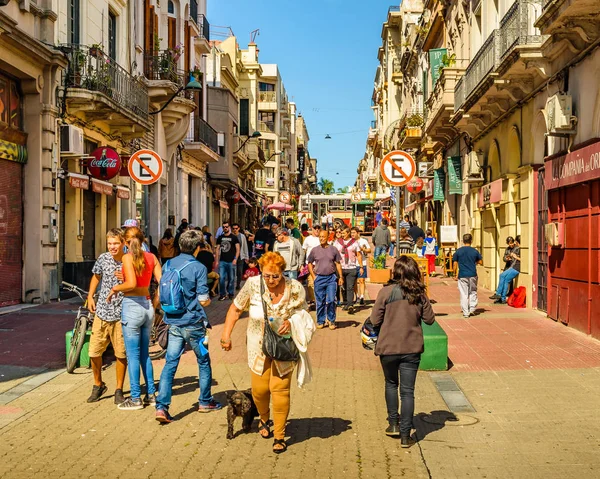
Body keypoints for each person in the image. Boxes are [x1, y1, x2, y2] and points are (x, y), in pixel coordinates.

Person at [221, 252, 311, 454]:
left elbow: (303, 314)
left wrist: (291, 322)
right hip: (257, 346)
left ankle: (279, 435)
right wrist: (226, 335)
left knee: (280, 390)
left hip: (285, 347)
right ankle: (263, 417)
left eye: (276, 276)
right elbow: (235, 310)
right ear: (261, 272)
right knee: (260, 391)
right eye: (267, 276)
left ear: (283, 272)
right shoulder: (253, 284)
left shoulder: (295, 287)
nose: (271, 280)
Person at [155, 230, 221, 423]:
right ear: (198, 248)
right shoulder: (199, 267)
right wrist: (208, 300)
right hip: (193, 323)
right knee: (203, 361)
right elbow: (203, 299)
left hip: (173, 322)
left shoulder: (168, 263)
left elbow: (161, 290)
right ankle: (205, 401)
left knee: (170, 363)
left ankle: (162, 407)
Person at [369, 256, 435, 445]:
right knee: (407, 392)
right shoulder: (419, 294)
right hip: (411, 348)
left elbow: (374, 320)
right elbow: (430, 319)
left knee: (391, 384)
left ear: (396, 272)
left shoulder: (386, 292)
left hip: (388, 348)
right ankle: (406, 436)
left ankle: (394, 424)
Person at [107, 227, 161, 410]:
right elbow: (162, 281)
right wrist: (155, 302)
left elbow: (131, 284)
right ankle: (151, 395)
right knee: (145, 354)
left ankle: (136, 398)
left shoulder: (127, 257)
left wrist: (115, 289)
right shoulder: (152, 257)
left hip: (132, 306)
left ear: (125, 242)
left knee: (132, 356)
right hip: (147, 306)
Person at [86, 229, 128, 404]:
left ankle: (119, 389)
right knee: (94, 351)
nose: (112, 247)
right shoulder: (103, 258)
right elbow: (96, 276)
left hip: (122, 312)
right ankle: (98, 384)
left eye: (116, 243)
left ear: (123, 243)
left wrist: (126, 277)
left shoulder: (129, 259)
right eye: (110, 243)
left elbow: (140, 283)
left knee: (121, 354)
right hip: (102, 311)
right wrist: (90, 296)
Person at [308, 230, 344, 330]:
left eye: (323, 236)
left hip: (331, 278)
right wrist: (313, 276)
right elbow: (309, 263)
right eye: (320, 237)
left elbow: (338, 264)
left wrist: (340, 277)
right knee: (320, 301)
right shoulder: (314, 250)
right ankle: (321, 321)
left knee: (332, 300)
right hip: (319, 278)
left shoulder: (333, 249)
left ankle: (331, 320)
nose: (321, 238)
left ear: (328, 237)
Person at [333, 226, 363, 314]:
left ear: (348, 233)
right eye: (341, 233)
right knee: (343, 287)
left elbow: (359, 255)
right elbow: (333, 253)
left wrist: (361, 266)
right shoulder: (337, 242)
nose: (342, 235)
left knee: (350, 287)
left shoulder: (354, 243)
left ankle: (350, 305)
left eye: (343, 233)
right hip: (340, 268)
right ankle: (346, 302)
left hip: (351, 267)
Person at [452, 234, 483, 318]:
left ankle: (466, 312)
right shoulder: (475, 251)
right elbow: (481, 262)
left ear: (463, 241)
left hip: (462, 275)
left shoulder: (458, 251)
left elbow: (455, 264)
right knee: (473, 291)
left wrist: (454, 274)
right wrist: (474, 262)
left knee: (464, 293)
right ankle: (472, 308)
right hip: (473, 274)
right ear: (471, 241)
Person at [491, 235, 521, 304]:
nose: (511, 244)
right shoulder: (507, 249)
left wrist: (515, 257)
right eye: (509, 243)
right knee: (505, 279)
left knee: (502, 276)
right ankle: (502, 298)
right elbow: (504, 257)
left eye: (512, 242)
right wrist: (506, 258)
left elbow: (522, 259)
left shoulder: (518, 249)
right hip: (510, 267)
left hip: (514, 267)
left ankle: (499, 294)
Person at [216, 221, 240, 301]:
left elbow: (238, 249)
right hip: (222, 261)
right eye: (224, 227)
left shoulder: (234, 237)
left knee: (231, 278)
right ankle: (222, 294)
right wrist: (216, 260)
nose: (225, 228)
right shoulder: (220, 237)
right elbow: (217, 249)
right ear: (222, 228)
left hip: (231, 261)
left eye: (226, 227)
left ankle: (230, 293)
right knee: (221, 278)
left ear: (229, 227)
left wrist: (235, 259)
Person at [302, 225, 321, 309]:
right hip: (310, 264)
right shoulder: (308, 239)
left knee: (320, 282)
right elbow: (304, 251)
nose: (317, 230)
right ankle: (314, 300)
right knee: (311, 282)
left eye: (318, 228)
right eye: (315, 228)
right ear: (312, 229)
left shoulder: (322, 238)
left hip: (320, 264)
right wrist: (302, 264)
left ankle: (320, 299)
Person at [352, 227, 371, 306]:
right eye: (351, 233)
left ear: (357, 233)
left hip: (362, 263)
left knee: (361, 280)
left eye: (353, 233)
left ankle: (362, 297)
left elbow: (369, 250)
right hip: (352, 264)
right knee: (354, 282)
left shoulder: (363, 241)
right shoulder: (350, 241)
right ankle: (357, 296)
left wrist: (363, 249)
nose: (352, 234)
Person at [232, 223, 249, 290]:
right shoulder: (230, 236)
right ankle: (231, 284)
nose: (235, 230)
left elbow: (245, 246)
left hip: (240, 256)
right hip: (232, 257)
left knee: (239, 271)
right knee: (232, 271)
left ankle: (238, 284)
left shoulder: (242, 236)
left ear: (239, 228)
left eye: (236, 228)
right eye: (233, 228)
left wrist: (246, 256)